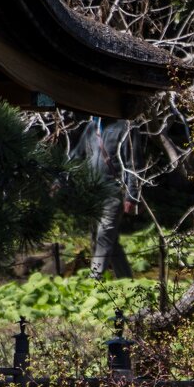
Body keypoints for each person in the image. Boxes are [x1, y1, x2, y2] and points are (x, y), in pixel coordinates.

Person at [71, 118, 141, 279]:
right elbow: (76, 155)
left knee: (104, 235)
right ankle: (127, 280)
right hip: (93, 192)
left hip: (114, 192)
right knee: (109, 240)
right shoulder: (92, 126)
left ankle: (94, 280)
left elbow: (134, 164)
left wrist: (132, 196)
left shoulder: (127, 127)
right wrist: (59, 177)